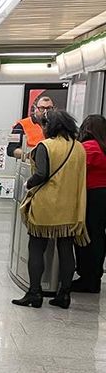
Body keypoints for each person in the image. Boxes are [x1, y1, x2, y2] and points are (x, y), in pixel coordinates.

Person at [12, 109, 89, 309]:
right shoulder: (79, 148)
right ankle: (64, 294)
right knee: (66, 249)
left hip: (46, 206)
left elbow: (42, 174)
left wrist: (28, 183)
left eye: (44, 125)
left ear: (50, 126)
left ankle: (34, 293)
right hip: (71, 206)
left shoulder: (45, 146)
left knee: (36, 247)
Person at [73, 114, 106, 293]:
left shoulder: (87, 148)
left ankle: (87, 278)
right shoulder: (104, 147)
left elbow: (74, 172)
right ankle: (96, 275)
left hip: (92, 195)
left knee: (86, 236)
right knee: (99, 236)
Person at [8, 95, 54, 159]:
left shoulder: (57, 125)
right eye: (42, 108)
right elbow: (10, 150)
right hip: (30, 165)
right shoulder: (21, 125)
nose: (45, 112)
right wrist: (30, 155)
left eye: (49, 108)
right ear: (35, 109)